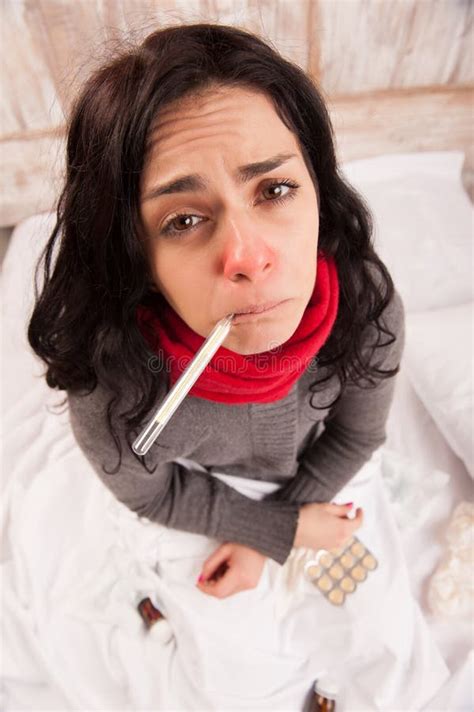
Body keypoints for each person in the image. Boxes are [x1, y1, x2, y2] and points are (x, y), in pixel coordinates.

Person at [27, 22, 404, 602]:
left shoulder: (367, 307)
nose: (248, 259)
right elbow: (148, 493)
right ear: (134, 255)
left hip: (316, 487)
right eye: (183, 220)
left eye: (275, 190)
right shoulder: (113, 383)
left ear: (320, 192)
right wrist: (285, 530)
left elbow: (357, 437)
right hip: (208, 506)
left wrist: (269, 532)